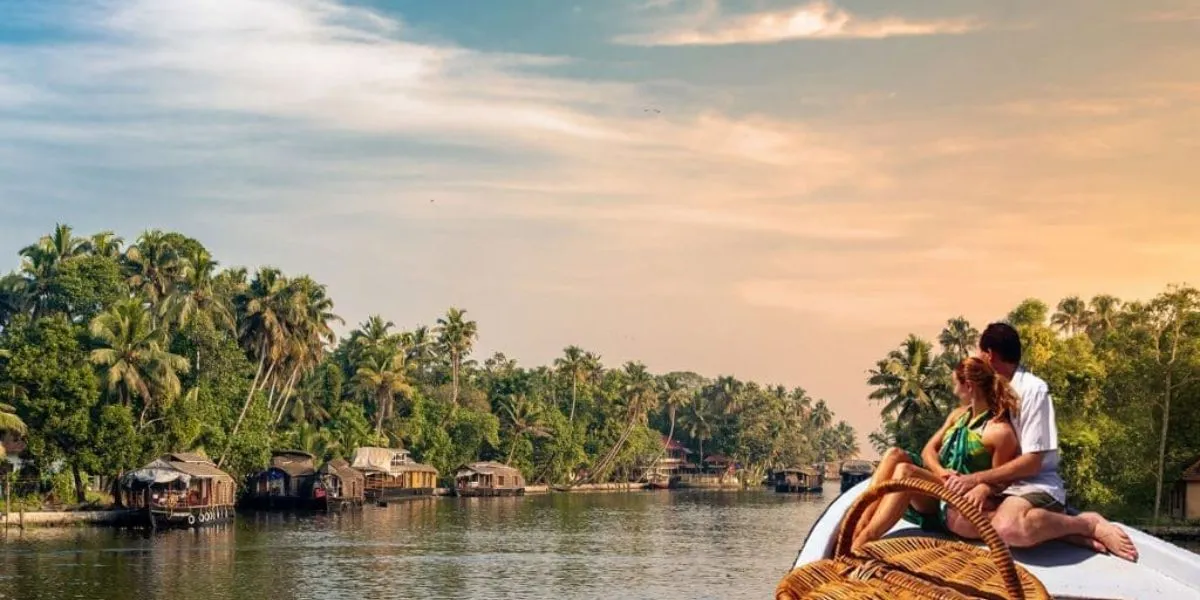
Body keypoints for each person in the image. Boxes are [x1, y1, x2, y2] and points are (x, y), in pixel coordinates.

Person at [942, 322, 1138, 562]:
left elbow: (1032, 463)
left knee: (1007, 529)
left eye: (981, 353)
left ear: (990, 354)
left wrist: (977, 479)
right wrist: (984, 486)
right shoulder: (992, 391)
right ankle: (1060, 533)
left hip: (1032, 483)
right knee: (957, 521)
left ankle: (1086, 524)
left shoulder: (1033, 390)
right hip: (1001, 484)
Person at [851, 355, 1021, 549]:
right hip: (940, 483)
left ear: (969, 386)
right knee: (894, 454)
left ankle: (864, 542)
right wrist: (942, 472)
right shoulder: (958, 416)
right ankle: (858, 526)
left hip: (955, 499)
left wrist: (983, 487)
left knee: (906, 471)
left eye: (956, 384)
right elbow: (928, 450)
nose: (954, 391)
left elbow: (1001, 480)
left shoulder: (1000, 432)